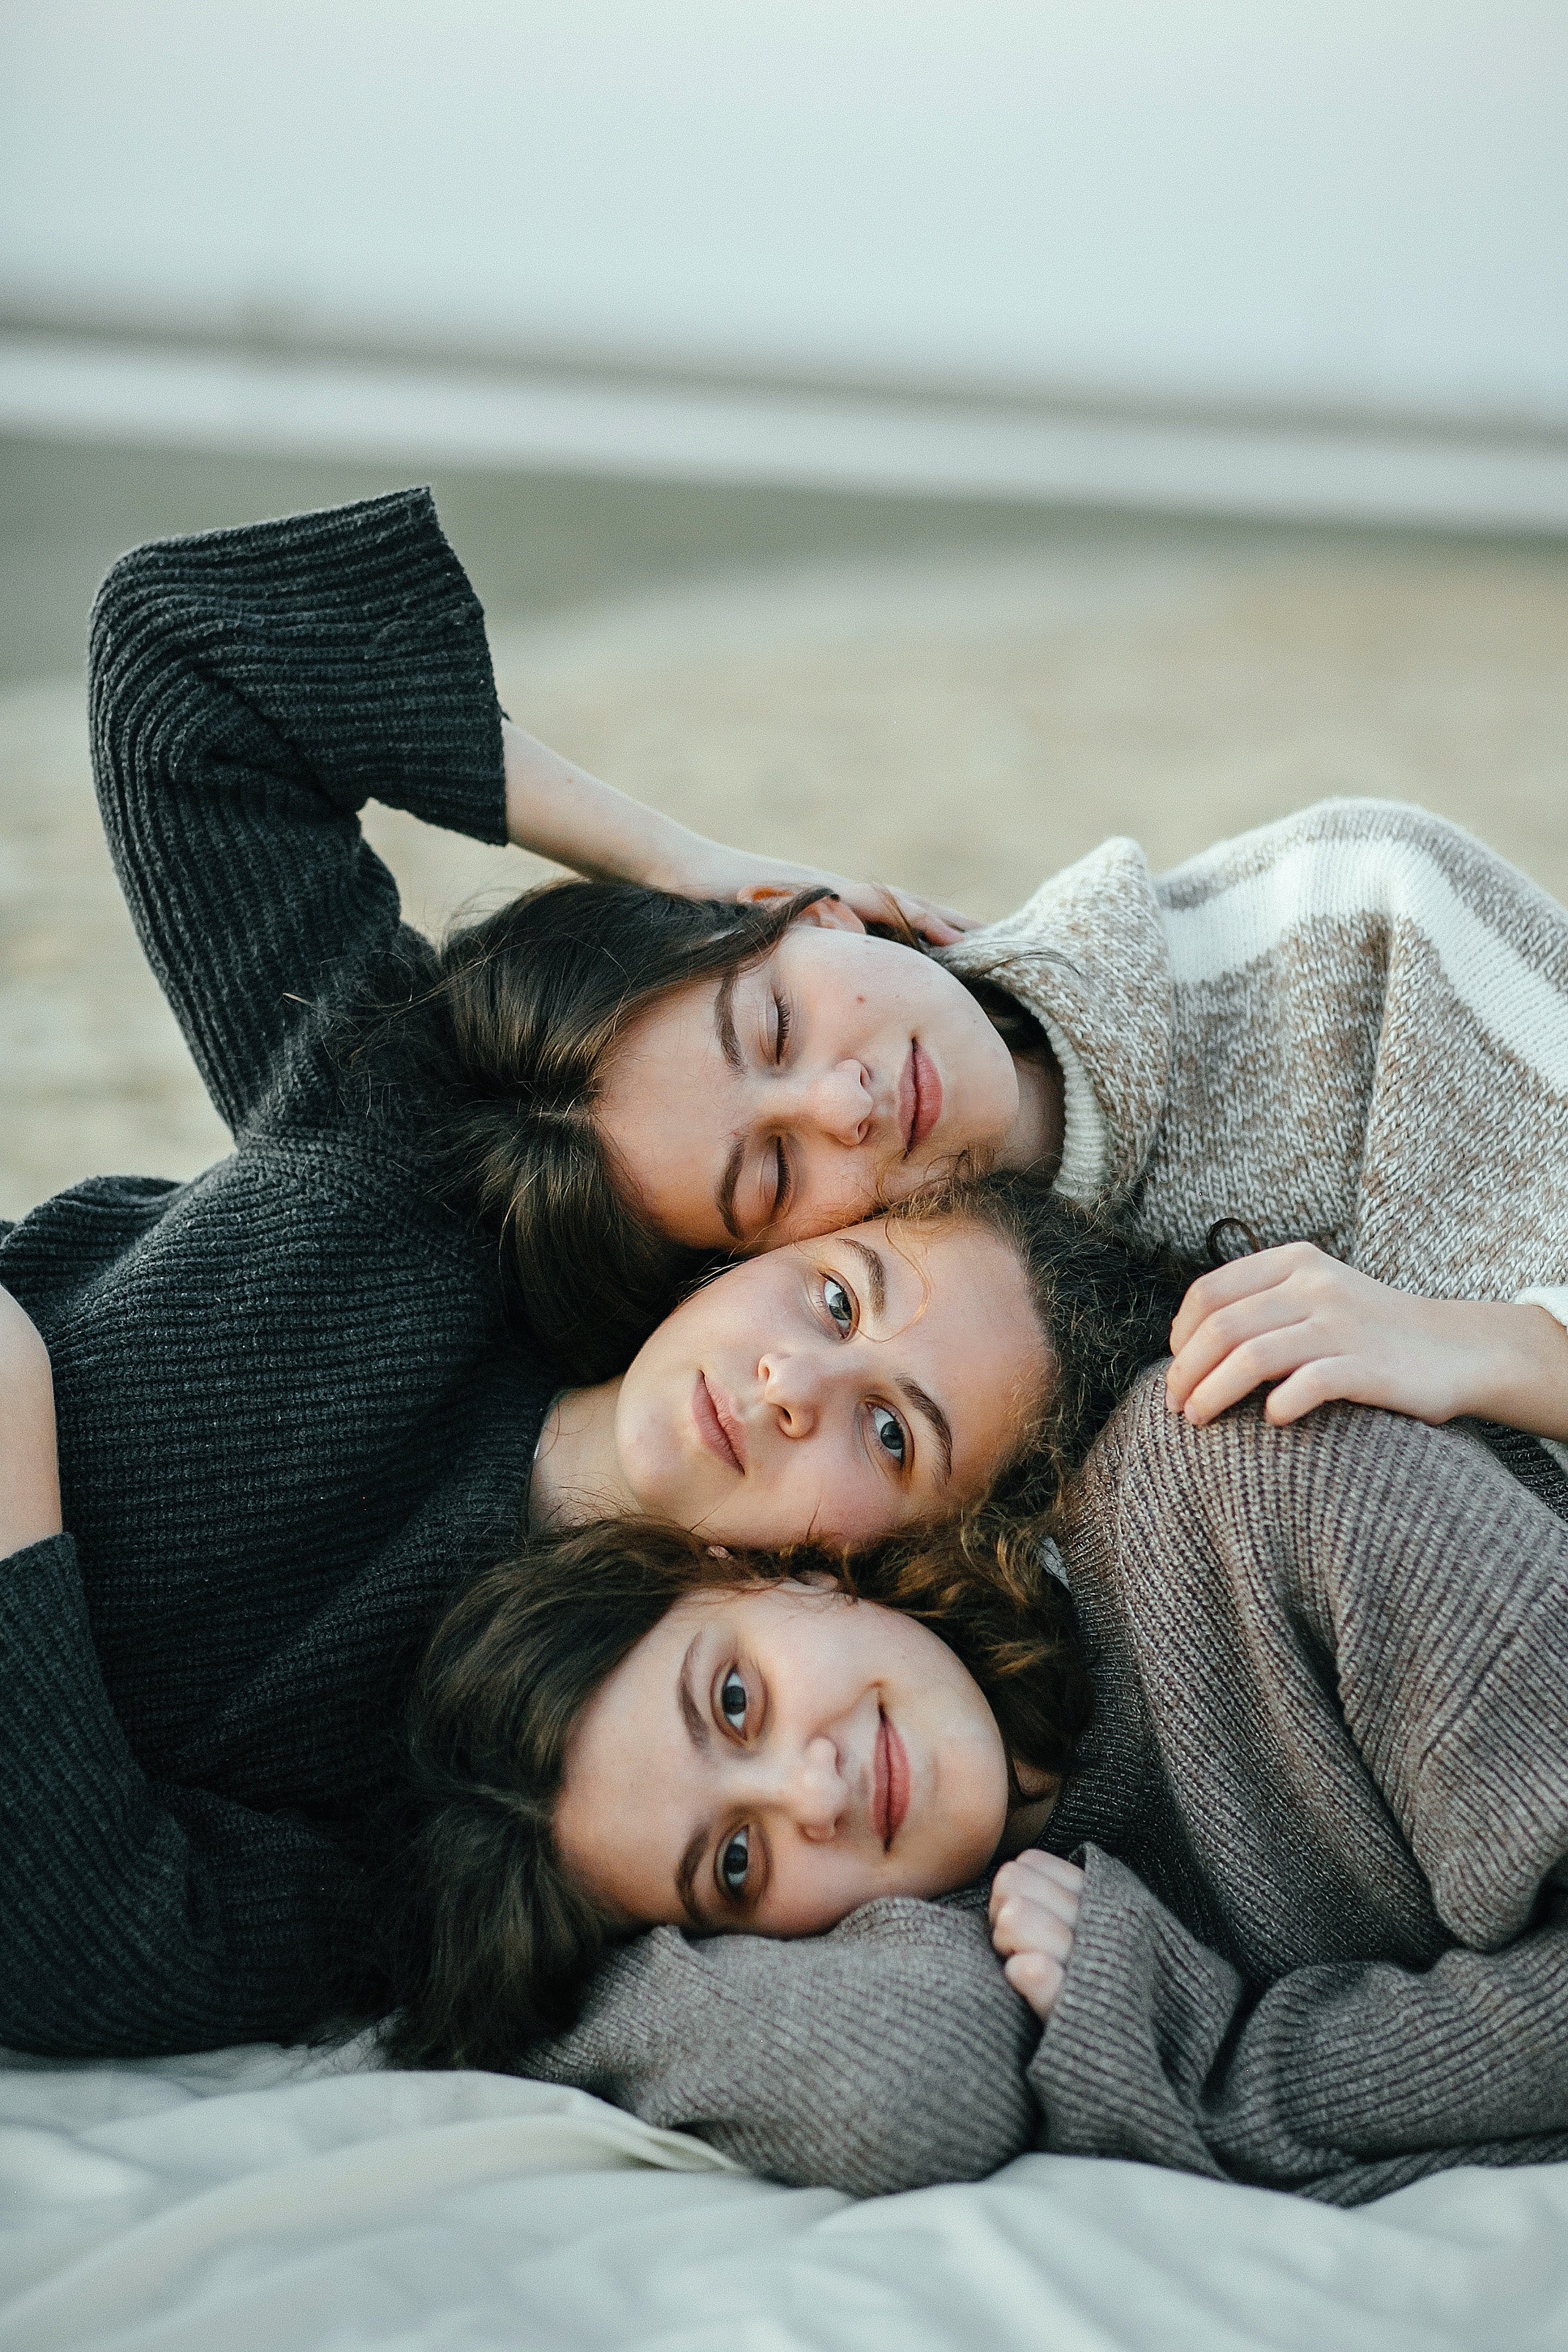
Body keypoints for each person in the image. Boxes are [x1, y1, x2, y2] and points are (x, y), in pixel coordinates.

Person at [0, 488, 1127, 2062]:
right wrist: (685, 873)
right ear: (769, 1242)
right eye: (830, 1298)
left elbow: (105, 1949)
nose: (790, 1393)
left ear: (877, 1563)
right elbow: (187, 662)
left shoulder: (549, 1769)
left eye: (886, 1437)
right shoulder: (436, 1167)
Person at [404, 1377, 1568, 2207]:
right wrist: (547, 2005)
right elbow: (903, 2089)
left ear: (764, 1564)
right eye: (737, 1862)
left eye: (737, 1702)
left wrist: (1210, 2066)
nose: (816, 1790)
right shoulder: (950, 1923)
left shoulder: (1255, 1482)